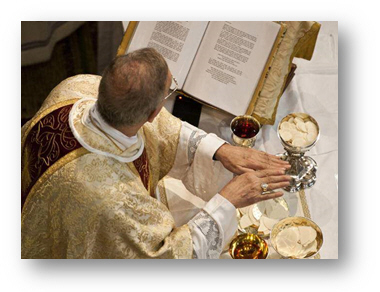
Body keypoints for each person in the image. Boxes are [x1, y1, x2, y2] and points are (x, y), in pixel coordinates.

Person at [21, 48, 291, 259]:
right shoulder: (117, 201)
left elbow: (164, 129)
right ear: (152, 113)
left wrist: (219, 150)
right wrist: (227, 201)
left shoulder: (76, 86)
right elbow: (165, 255)